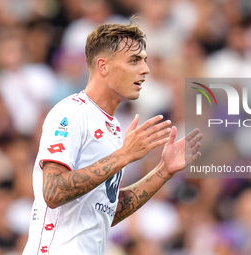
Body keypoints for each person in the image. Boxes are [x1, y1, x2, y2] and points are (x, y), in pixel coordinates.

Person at [22, 18, 202, 255]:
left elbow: (105, 211)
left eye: (145, 61)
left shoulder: (113, 129)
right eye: (134, 60)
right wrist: (124, 155)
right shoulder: (71, 112)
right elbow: (54, 192)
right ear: (103, 66)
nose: (145, 69)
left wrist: (163, 171)